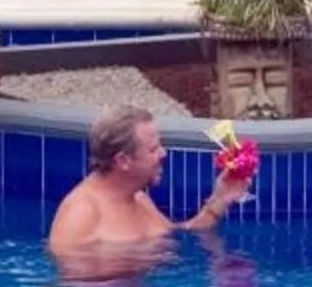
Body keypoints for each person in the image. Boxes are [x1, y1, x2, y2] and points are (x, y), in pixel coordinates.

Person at [47, 106, 250, 258]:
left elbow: (181, 235)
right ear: (123, 160)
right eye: (153, 149)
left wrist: (221, 199)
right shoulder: (81, 213)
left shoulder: (139, 199)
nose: (163, 153)